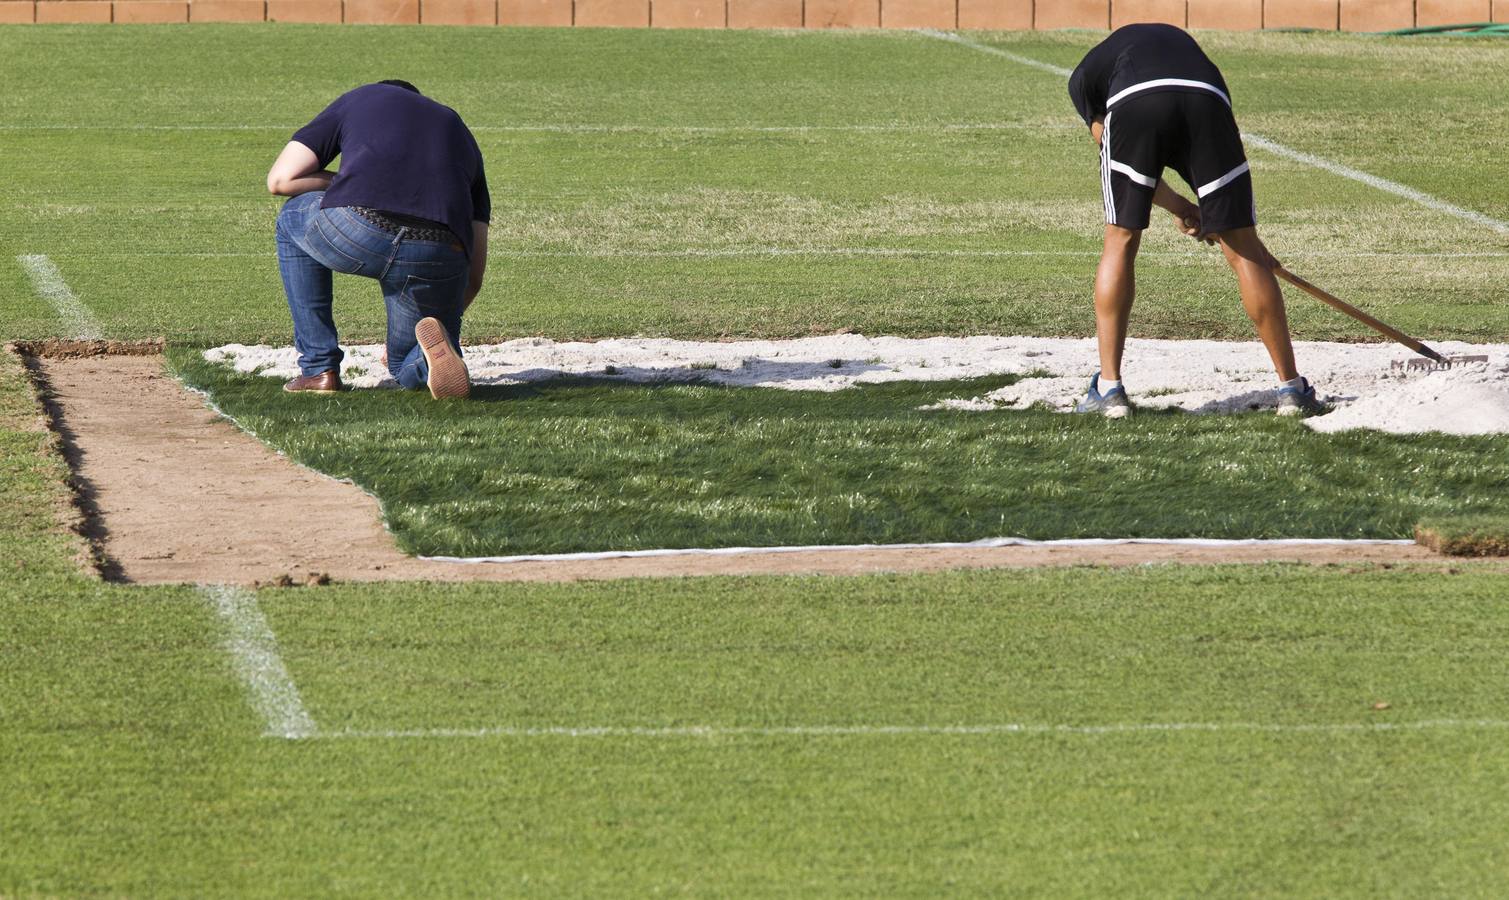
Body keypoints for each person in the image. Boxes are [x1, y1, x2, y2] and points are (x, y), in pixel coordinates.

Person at [1067, 24, 1323, 418]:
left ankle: (1109, 389)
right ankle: (1292, 390)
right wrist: (1240, 237)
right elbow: (1223, 141)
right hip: (1208, 102)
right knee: (1244, 253)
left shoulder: (1084, 80)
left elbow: (1112, 150)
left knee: (1121, 238)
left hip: (1136, 106)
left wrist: (1185, 208)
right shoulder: (1198, 60)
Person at [266, 79, 490, 399]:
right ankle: (425, 361)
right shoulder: (460, 131)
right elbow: (475, 275)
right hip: (439, 249)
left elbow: (280, 180)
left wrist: (351, 181)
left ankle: (319, 369)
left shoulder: (362, 97)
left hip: (361, 229)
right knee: (402, 363)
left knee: (292, 218)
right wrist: (442, 316)